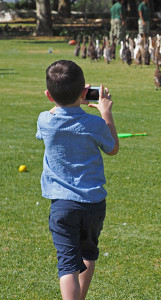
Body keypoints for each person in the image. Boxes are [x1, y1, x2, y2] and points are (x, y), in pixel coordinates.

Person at [36, 60, 119, 300]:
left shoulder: (45, 120)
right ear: (84, 92)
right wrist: (105, 112)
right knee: (88, 255)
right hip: (93, 203)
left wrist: (71, 101)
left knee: (67, 266)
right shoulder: (94, 124)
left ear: (49, 96)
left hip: (62, 206)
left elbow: (56, 112)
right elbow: (112, 148)